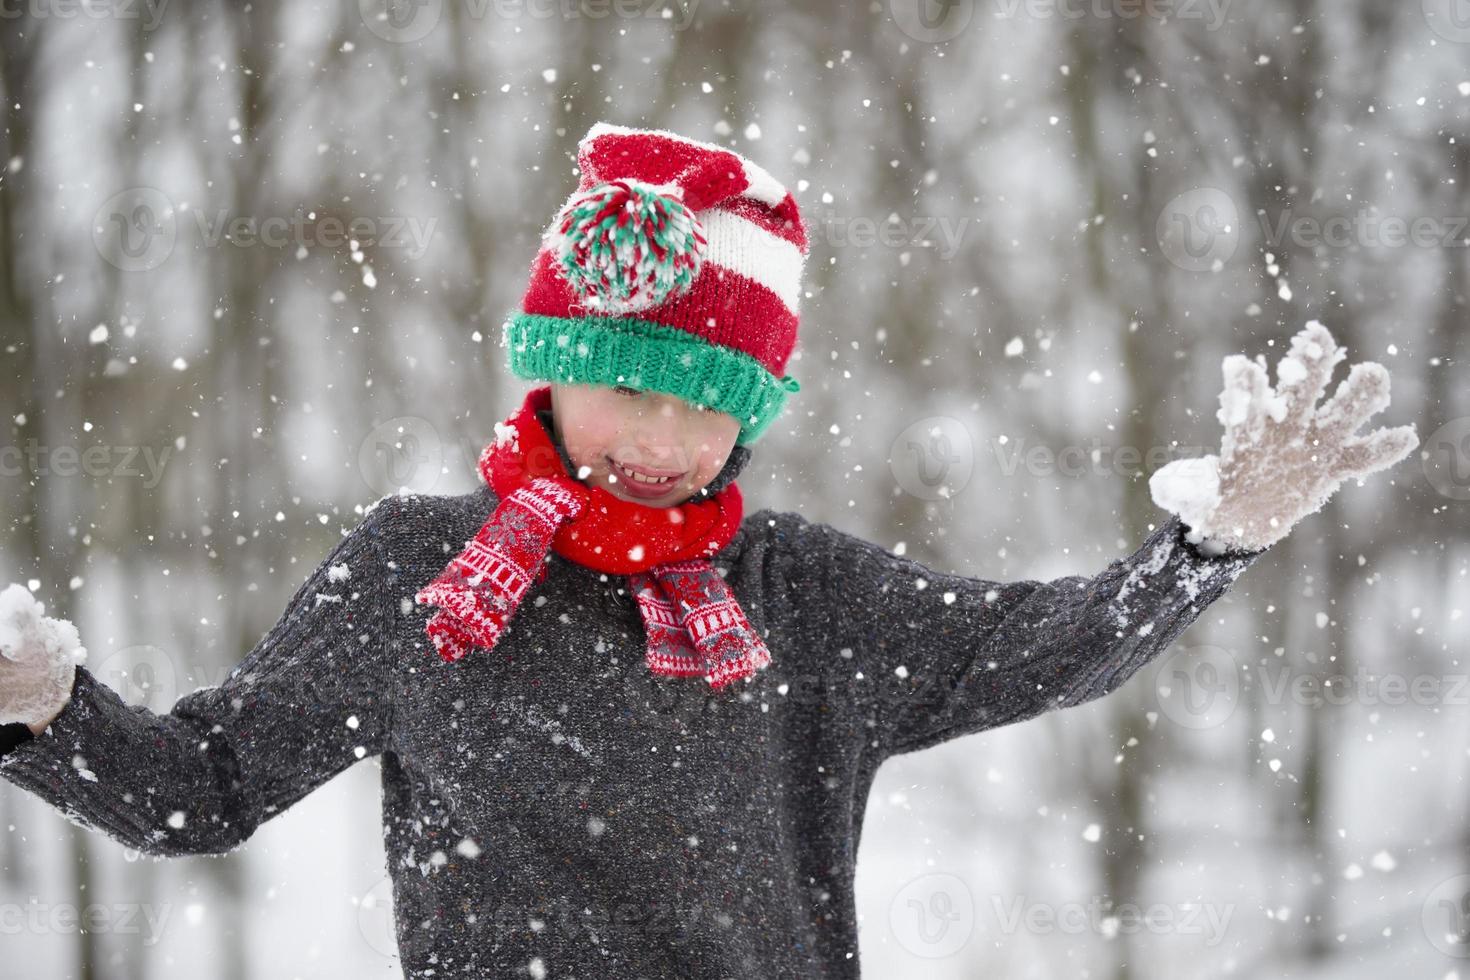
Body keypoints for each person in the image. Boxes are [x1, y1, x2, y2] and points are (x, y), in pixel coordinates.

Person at [0, 121, 1418, 979]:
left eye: (707, 403)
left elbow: (1042, 644)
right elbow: (198, 793)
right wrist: (43, 709)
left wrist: (1202, 546)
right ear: (549, 370)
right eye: (627, 384)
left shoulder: (802, 596)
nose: (659, 437)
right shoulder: (419, 572)